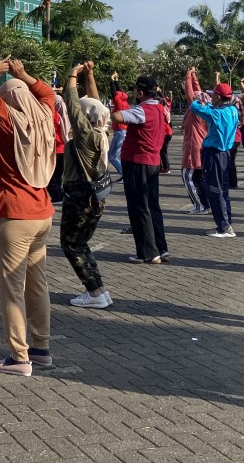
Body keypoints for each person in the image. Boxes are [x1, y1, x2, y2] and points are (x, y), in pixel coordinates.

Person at [0, 55, 56, 376]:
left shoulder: (8, 122)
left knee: (11, 288)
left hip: (13, 214)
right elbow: (47, 95)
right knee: (37, 284)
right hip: (41, 213)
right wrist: (25, 75)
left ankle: (19, 358)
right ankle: (41, 348)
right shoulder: (45, 118)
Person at [58, 62, 114, 307]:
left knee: (71, 244)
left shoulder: (85, 137)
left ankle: (94, 293)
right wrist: (90, 75)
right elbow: (95, 102)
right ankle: (99, 289)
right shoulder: (101, 130)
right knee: (80, 243)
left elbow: (72, 106)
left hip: (79, 196)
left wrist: (72, 75)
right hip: (94, 196)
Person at [115, 72, 169, 265]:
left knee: (139, 208)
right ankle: (160, 248)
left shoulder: (141, 110)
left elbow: (118, 116)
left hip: (138, 162)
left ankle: (147, 252)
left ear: (140, 92)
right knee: (152, 206)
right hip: (152, 162)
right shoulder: (159, 108)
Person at [185, 69, 238, 237]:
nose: (211, 97)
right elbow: (211, 108)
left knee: (215, 191)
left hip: (214, 154)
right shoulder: (232, 110)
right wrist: (207, 103)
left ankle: (223, 226)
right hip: (225, 154)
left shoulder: (216, 113)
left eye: (213, 95)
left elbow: (194, 106)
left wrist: (198, 99)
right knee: (223, 191)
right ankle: (226, 222)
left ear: (218, 97)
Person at [180, 75, 211, 214]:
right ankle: (204, 204)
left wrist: (188, 75)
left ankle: (200, 205)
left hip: (193, 149)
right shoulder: (203, 108)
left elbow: (190, 93)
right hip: (198, 147)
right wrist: (194, 78)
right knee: (199, 178)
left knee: (188, 177)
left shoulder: (196, 111)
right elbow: (197, 92)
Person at [108, 72, 129, 181]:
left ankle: (125, 175)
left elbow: (113, 93)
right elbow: (118, 92)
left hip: (120, 131)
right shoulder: (125, 102)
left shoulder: (119, 104)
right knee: (115, 156)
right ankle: (125, 174)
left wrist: (111, 81)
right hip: (123, 131)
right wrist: (116, 80)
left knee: (111, 156)